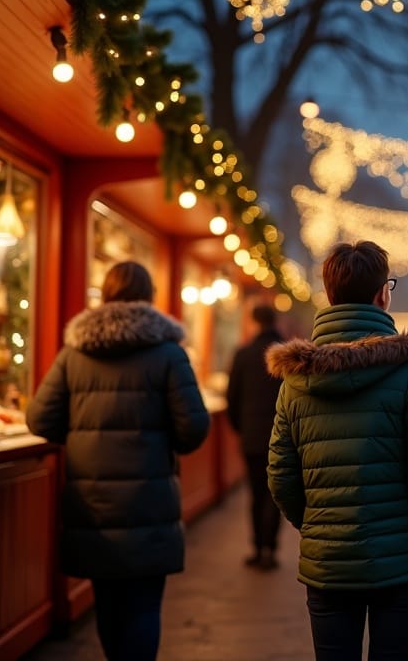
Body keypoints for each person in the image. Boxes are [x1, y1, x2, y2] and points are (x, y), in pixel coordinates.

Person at [26, 261, 210, 660]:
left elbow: (39, 419)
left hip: (93, 506)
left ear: (105, 295)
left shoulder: (74, 353)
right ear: (149, 297)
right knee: (144, 604)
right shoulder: (168, 353)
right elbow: (193, 427)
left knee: (107, 604)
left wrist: (80, 440)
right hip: (150, 501)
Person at [266, 241, 408, 661]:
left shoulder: (295, 381)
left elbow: (280, 475)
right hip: (401, 561)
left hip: (329, 563)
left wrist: (320, 524)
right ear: (383, 294)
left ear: (329, 295)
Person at [226, 302, 285, 571]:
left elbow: (232, 396)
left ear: (253, 321)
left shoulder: (244, 353)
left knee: (256, 493)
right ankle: (270, 550)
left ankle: (256, 546)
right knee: (276, 494)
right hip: (281, 436)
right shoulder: (287, 353)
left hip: (251, 436)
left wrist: (241, 428)